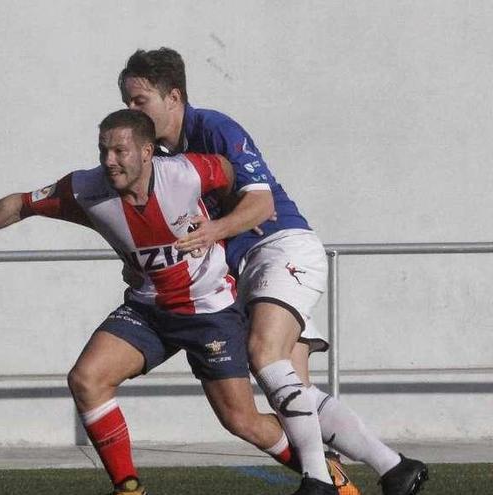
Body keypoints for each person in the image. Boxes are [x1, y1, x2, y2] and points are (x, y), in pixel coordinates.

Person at [0, 109, 296, 495]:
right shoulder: (86, 189)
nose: (109, 160)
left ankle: (321, 470)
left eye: (119, 150)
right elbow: (18, 204)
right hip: (149, 310)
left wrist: (228, 220)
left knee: (242, 421)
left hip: (210, 310)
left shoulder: (187, 172)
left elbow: (235, 177)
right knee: (87, 379)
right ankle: (128, 489)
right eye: (103, 150)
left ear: (148, 152)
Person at [118, 47, 428, 495]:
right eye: (126, 101)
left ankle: (318, 482)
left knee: (266, 355)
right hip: (247, 270)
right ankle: (395, 467)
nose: (131, 110)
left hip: (280, 248)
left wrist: (214, 232)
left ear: (174, 97)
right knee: (292, 393)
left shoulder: (215, 128)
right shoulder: (161, 158)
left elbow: (261, 204)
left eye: (139, 101)